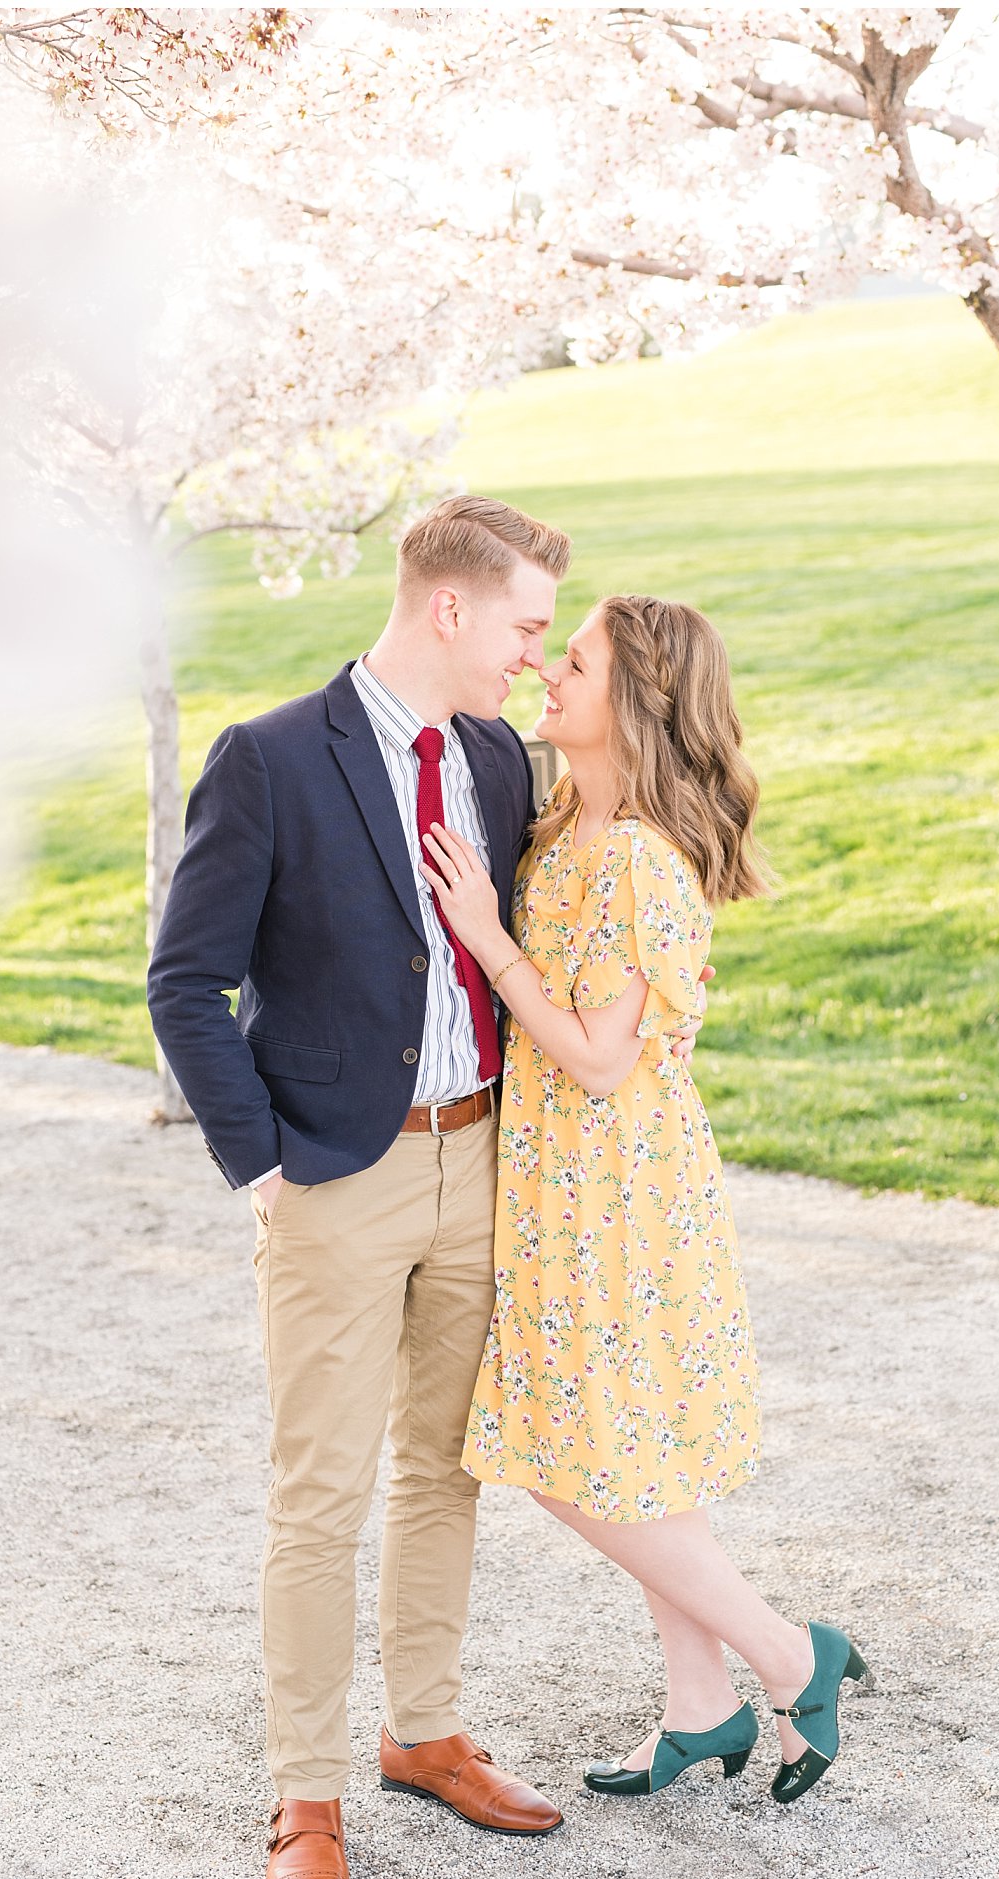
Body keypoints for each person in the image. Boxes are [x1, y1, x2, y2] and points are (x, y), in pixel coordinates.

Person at [147, 497, 579, 1879]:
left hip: (482, 1161)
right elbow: (183, 981)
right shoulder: (269, 760)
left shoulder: (503, 758)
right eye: (525, 625)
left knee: (447, 1468)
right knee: (318, 1495)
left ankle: (425, 1732)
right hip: (335, 1178)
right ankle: (305, 1792)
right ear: (449, 610)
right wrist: (263, 1165)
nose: (536, 652)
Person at [421, 593, 872, 1808]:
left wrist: (481, 932)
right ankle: (701, 1702)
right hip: (563, 1177)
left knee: (570, 1456)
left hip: (613, 1187)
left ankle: (788, 1655)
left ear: (632, 703)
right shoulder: (566, 815)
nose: (543, 674)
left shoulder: (633, 859)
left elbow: (600, 1057)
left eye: (571, 663)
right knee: (630, 1452)